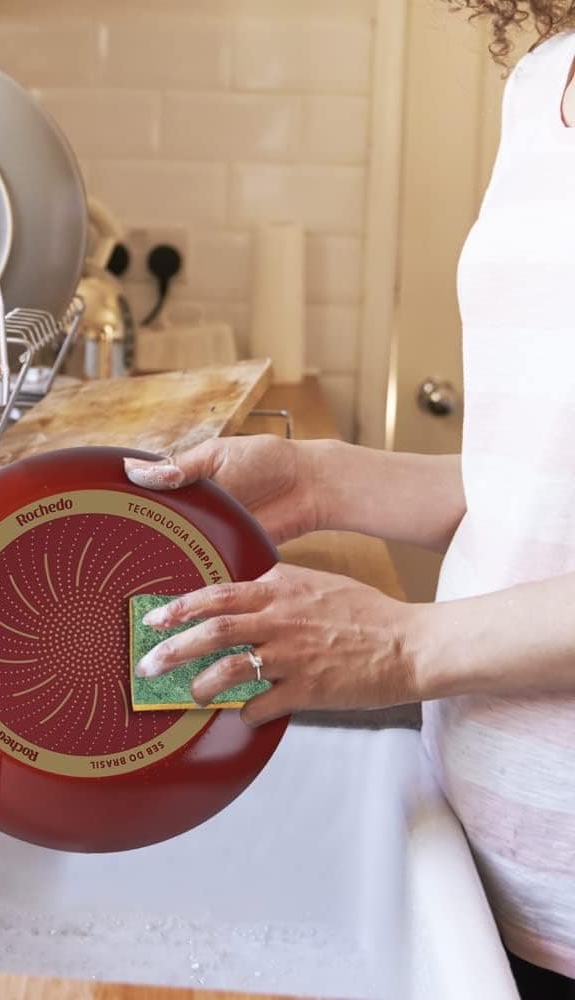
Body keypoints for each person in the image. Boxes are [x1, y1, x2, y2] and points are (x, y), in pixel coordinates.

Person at [123, 4, 575, 998]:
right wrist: (322, 479)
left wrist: (404, 646)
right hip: (477, 850)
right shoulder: (546, 78)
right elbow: (540, 490)